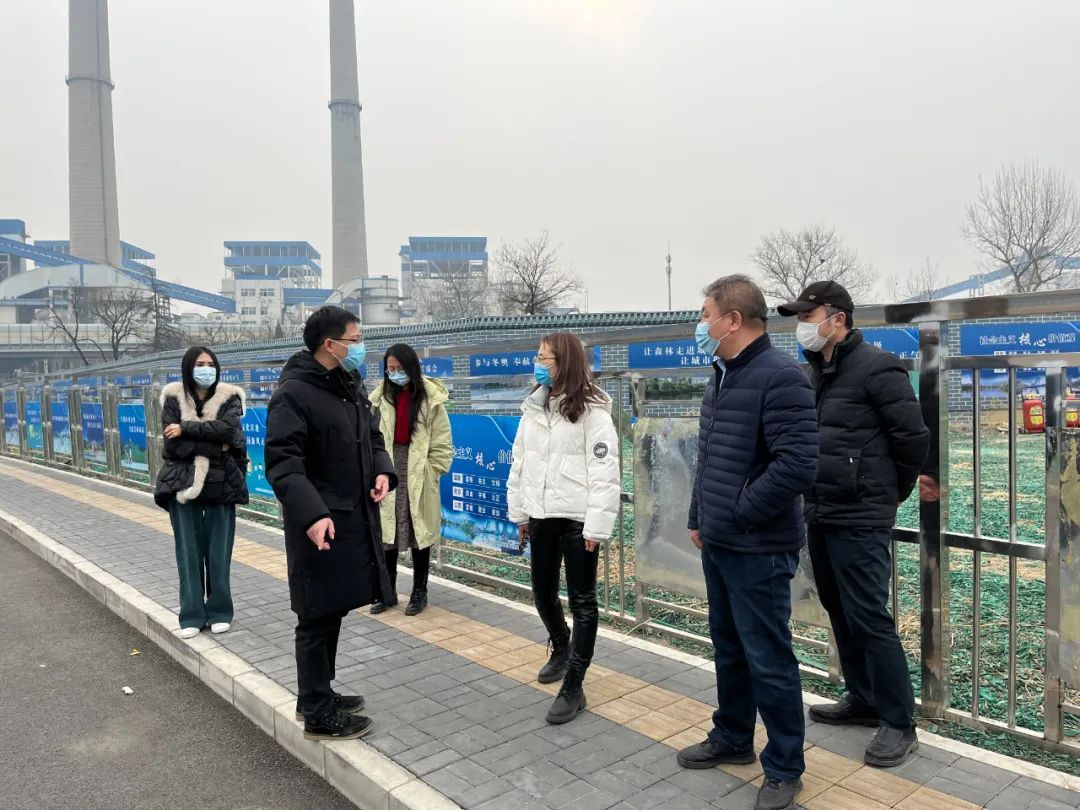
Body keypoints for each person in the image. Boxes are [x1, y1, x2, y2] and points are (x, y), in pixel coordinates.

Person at [677, 275, 818, 810]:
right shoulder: (724, 374)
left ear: (732, 320)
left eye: (705, 314)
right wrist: (700, 516)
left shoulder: (780, 377)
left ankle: (784, 765)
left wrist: (738, 513)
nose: (700, 325)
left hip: (758, 548)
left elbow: (796, 465)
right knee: (730, 647)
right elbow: (710, 457)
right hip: (721, 542)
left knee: (768, 657)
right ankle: (733, 736)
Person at [779, 280, 930, 768]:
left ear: (837, 318)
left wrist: (885, 494)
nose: (803, 326)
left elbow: (912, 439)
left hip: (861, 514)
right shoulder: (814, 372)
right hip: (820, 508)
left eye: (809, 317)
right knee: (839, 608)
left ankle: (899, 721)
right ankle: (863, 699)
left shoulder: (877, 367)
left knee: (868, 614)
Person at [265, 306, 397, 742]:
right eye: (355, 339)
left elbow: (372, 436)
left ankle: (318, 694)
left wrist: (382, 470)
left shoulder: (346, 385)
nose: (360, 346)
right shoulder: (294, 393)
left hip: (350, 518)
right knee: (315, 614)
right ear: (330, 344)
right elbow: (283, 463)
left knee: (333, 607)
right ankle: (318, 713)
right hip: (318, 524)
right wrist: (313, 513)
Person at [507, 332, 621, 726]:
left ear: (565, 362)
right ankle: (561, 645)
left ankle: (574, 684)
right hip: (541, 515)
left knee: (582, 601)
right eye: (538, 357)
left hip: (578, 520)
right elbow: (520, 462)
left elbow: (605, 473)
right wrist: (520, 514)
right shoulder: (533, 407)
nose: (538, 364)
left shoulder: (593, 411)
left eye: (545, 358)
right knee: (542, 593)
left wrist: (596, 527)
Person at [154, 346, 248, 639]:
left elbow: (229, 433)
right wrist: (215, 445)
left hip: (222, 482)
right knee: (188, 552)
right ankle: (192, 614)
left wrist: (185, 429)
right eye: (199, 364)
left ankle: (220, 610)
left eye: (210, 364)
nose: (206, 369)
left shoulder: (230, 397)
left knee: (219, 552)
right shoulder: (172, 398)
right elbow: (173, 447)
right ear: (187, 368)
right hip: (182, 483)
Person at [369, 343, 454, 616]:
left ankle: (420, 592)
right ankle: (387, 591)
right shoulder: (380, 397)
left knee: (419, 532)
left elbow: (442, 442)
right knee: (388, 531)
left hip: (419, 469)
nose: (394, 373)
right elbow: (371, 437)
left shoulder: (430, 398)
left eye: (399, 368)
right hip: (388, 465)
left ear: (412, 368)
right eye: (390, 368)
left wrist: (432, 471)